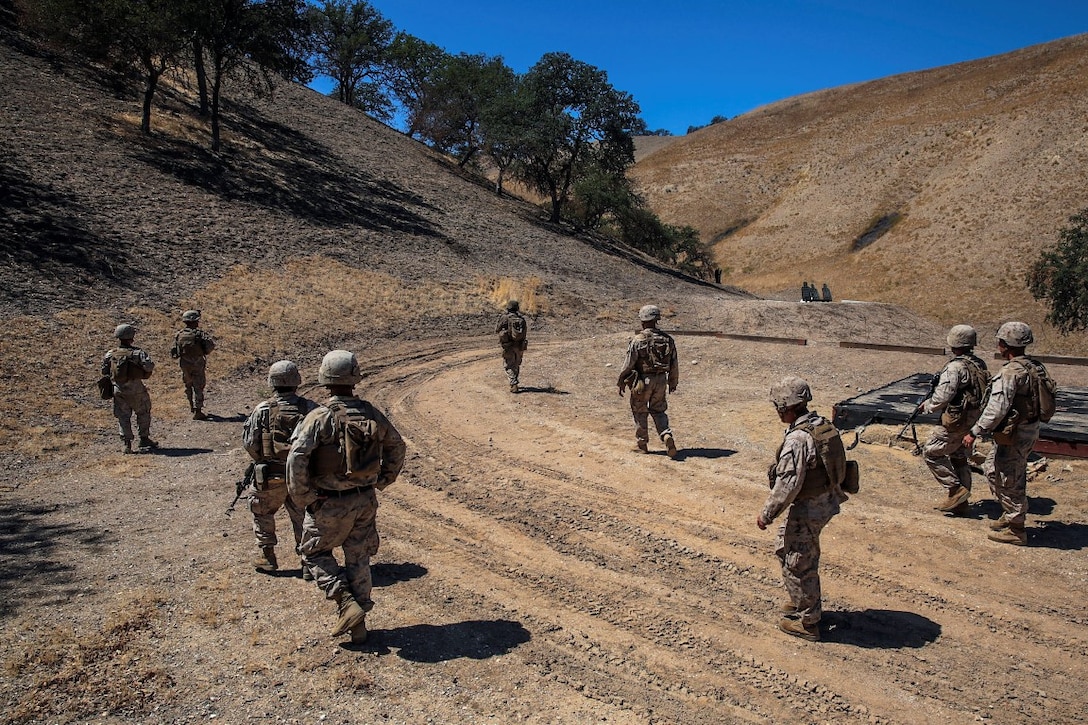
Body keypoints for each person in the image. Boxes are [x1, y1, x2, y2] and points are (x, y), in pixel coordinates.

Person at [287, 350, 406, 644]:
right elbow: (397, 446)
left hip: (328, 501)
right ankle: (359, 621)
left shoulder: (319, 417)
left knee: (312, 554)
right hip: (364, 500)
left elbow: (297, 457)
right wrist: (383, 480)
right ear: (355, 377)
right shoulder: (371, 413)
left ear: (325, 378)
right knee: (359, 556)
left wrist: (304, 496)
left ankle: (344, 601)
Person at [756, 376, 847, 642]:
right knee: (786, 548)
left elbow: (788, 484)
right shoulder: (818, 424)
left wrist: (767, 514)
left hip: (809, 507)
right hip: (824, 501)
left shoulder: (797, 438)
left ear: (787, 407)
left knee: (798, 560)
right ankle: (802, 601)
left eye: (778, 407)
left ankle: (809, 622)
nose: (777, 412)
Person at [962, 322, 1055, 545]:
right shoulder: (1035, 367)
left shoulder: (1011, 372)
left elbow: (997, 407)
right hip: (1028, 429)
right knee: (993, 469)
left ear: (1005, 345)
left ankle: (1016, 530)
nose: (998, 345)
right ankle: (1010, 512)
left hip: (1014, 433)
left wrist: (975, 431)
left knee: (1010, 477)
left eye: (1000, 342)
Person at [242, 360, 320, 574]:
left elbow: (250, 443)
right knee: (305, 518)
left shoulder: (263, 409)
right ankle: (308, 562)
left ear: (271, 382)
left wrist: (263, 459)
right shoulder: (311, 409)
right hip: (301, 476)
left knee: (262, 511)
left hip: (270, 475)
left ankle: (267, 557)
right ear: (297, 381)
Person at [918, 325, 990, 515]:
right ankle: (961, 503)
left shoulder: (955, 367)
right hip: (973, 419)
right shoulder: (978, 363)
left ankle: (955, 489)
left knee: (931, 452)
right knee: (958, 456)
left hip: (956, 420)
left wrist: (927, 406)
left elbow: (943, 396)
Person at [616, 304, 679, 458]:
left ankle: (642, 444)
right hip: (661, 380)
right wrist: (673, 382)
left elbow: (629, 364)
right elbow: (674, 363)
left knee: (639, 410)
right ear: (657, 319)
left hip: (642, 382)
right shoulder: (667, 340)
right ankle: (665, 435)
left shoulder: (638, 340)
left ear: (642, 321)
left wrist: (621, 381)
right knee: (658, 410)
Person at [102, 324, 158, 454]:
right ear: (131, 337)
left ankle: (127, 444)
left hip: (118, 389)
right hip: (136, 389)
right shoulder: (138, 353)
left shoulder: (111, 353)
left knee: (123, 416)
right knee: (143, 412)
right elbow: (149, 367)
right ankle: (144, 439)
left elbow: (104, 370)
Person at [170, 309, 215, 420]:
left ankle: (191, 406)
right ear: (195, 321)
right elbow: (210, 346)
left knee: (188, 384)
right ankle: (198, 411)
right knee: (198, 386)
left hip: (184, 363)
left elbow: (174, 352)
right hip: (197, 363)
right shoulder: (200, 334)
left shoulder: (179, 334)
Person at [495, 299, 528, 393]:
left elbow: (497, 329)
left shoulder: (504, 317)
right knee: (516, 364)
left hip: (508, 346)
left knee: (508, 365)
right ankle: (515, 382)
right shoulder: (522, 319)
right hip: (520, 346)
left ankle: (514, 384)